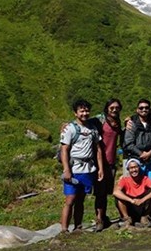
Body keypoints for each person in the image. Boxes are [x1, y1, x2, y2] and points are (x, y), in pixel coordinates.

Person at [59, 99, 104, 233]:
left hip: (88, 168)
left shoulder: (93, 129)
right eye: (81, 111)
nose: (85, 113)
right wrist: (66, 169)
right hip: (74, 168)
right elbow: (64, 150)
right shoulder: (70, 129)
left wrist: (100, 168)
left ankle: (78, 226)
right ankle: (64, 229)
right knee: (70, 199)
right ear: (75, 113)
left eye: (87, 110)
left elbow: (98, 149)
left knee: (81, 199)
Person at [92, 98, 123, 231]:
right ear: (107, 108)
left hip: (111, 162)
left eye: (117, 107)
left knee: (106, 191)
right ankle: (99, 219)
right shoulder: (99, 120)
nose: (114, 110)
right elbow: (82, 122)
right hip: (100, 162)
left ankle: (103, 217)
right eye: (112, 107)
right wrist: (67, 124)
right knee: (100, 192)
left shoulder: (117, 122)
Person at [123, 99, 151, 183]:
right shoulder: (131, 124)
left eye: (146, 107)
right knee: (137, 183)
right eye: (141, 108)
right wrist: (141, 154)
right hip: (136, 159)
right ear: (137, 110)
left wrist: (150, 153)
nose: (144, 110)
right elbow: (128, 143)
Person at [113, 158, 151, 228]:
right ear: (128, 170)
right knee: (119, 196)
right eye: (131, 168)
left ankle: (145, 217)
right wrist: (131, 200)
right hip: (130, 205)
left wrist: (142, 200)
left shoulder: (145, 179)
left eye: (135, 167)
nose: (134, 170)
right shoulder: (124, 180)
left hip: (142, 206)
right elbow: (115, 192)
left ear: (139, 168)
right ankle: (126, 218)